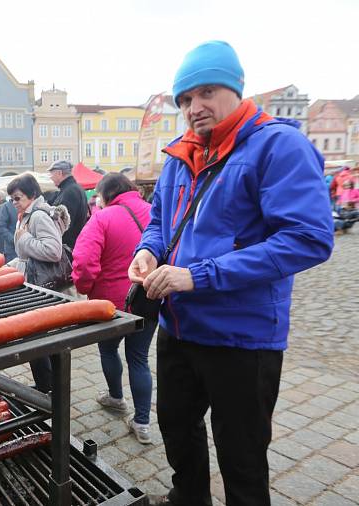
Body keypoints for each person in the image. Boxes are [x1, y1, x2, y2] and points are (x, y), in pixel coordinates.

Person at [128, 41, 333, 505]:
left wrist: (198, 275)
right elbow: (160, 222)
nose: (193, 108)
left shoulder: (279, 146)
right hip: (179, 327)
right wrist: (147, 252)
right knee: (177, 427)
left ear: (235, 89)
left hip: (243, 338)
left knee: (241, 456)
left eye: (205, 93)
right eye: (184, 100)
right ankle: (189, 498)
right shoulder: (180, 155)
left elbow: (309, 238)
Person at [72, 173, 158, 444]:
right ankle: (142, 422)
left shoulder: (102, 217)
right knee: (139, 358)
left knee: (108, 349)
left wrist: (84, 288)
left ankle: (116, 397)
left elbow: (85, 262)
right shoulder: (154, 211)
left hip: (111, 303)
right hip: (148, 297)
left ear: (105, 194)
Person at [8, 173, 70, 393]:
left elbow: (53, 251)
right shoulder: (27, 215)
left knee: (36, 336)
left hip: (41, 286)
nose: (14, 203)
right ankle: (47, 384)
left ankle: (48, 387)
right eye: (12, 199)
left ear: (32, 195)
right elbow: (26, 255)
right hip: (33, 283)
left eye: (18, 197)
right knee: (37, 335)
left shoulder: (38, 216)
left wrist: (24, 239)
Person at [48, 160, 88, 248]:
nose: (50, 177)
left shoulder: (69, 192)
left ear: (59, 173)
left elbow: (64, 225)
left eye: (51, 174)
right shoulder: (74, 188)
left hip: (68, 247)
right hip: (74, 244)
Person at [0, 193, 18, 262]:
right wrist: (13, 240)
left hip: (27, 248)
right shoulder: (6, 207)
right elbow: (1, 226)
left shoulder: (27, 206)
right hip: (12, 249)